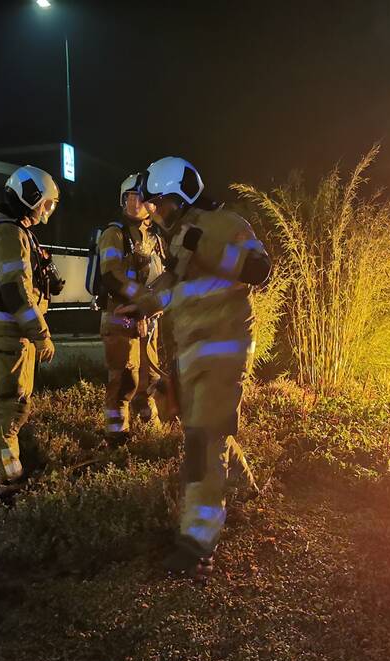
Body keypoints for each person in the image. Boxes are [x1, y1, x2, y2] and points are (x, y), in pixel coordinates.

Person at [117, 156, 272, 576]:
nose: (155, 214)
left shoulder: (224, 225)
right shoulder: (181, 236)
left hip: (223, 351)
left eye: (159, 205)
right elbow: (173, 285)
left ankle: (196, 544)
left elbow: (261, 269)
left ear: (179, 197)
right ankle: (245, 487)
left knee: (202, 441)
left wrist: (201, 244)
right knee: (206, 429)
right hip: (192, 354)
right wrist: (141, 303)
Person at [0, 165, 60, 483]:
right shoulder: (9, 233)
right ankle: (2, 479)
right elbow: (16, 292)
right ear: (30, 196)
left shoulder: (1, 228)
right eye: (45, 202)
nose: (45, 210)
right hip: (8, 332)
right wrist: (41, 335)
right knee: (11, 404)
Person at [98, 172, 167, 443]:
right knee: (124, 378)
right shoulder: (114, 234)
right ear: (122, 199)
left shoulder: (155, 236)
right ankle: (117, 436)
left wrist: (153, 305)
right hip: (120, 317)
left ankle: (152, 432)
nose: (137, 201)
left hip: (148, 320)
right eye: (130, 196)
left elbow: (164, 274)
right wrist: (140, 300)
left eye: (142, 196)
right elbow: (111, 275)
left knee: (149, 376)